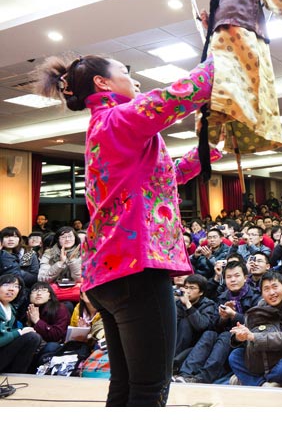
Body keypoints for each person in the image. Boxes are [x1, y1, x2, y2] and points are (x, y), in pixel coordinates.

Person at [33, 50, 221, 406]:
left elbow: (161, 180)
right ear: (102, 83)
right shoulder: (117, 119)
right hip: (136, 270)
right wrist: (221, 52)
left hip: (111, 273)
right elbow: (178, 95)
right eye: (125, 71)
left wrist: (207, 150)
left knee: (125, 385)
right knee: (150, 388)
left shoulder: (104, 127)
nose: (134, 80)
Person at [201, 0, 282, 162]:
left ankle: (223, 116)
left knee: (225, 86)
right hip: (246, 38)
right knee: (257, 89)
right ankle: (250, 121)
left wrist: (208, 24)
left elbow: (219, 15)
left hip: (222, 40)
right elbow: (280, 0)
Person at [174, 261, 259, 384]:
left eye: (236, 276)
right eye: (229, 277)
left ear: (245, 278)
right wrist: (223, 318)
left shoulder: (256, 296)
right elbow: (214, 326)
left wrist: (234, 315)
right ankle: (185, 373)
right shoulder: (222, 297)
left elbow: (256, 322)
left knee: (226, 336)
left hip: (245, 338)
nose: (233, 280)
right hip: (224, 337)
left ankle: (203, 378)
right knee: (209, 334)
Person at [228, 270, 282, 386]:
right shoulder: (262, 304)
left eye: (275, 287)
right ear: (262, 293)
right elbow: (250, 332)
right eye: (266, 289)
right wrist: (240, 337)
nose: (272, 293)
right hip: (269, 354)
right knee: (235, 356)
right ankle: (263, 384)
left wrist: (254, 337)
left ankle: (251, 380)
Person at [0, 275, 42, 373]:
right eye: (6, 284)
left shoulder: (10, 308)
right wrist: (19, 332)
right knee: (31, 337)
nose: (11, 289)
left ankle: (15, 375)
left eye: (16, 286)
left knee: (33, 337)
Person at [26, 282, 70, 367]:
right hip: (34, 345)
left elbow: (57, 335)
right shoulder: (28, 309)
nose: (39, 293)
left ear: (50, 296)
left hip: (53, 344)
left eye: (43, 290)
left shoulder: (59, 308)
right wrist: (29, 323)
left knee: (52, 346)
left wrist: (37, 321)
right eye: (35, 290)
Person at [174, 274, 219, 356]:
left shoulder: (208, 305)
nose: (187, 291)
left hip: (196, 343)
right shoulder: (179, 303)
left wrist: (188, 304)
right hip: (177, 340)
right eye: (186, 287)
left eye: (192, 288)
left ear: (201, 292)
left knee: (185, 323)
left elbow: (201, 325)